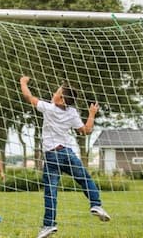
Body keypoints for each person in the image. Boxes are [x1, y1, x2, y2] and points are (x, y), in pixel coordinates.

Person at [20, 76, 110, 238]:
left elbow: (28, 97)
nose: (54, 93)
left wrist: (23, 82)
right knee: (85, 179)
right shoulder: (72, 112)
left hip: (52, 156)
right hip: (67, 153)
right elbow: (86, 130)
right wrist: (92, 114)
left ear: (61, 100)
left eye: (56, 92)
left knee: (50, 192)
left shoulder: (49, 108)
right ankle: (96, 204)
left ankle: (49, 225)